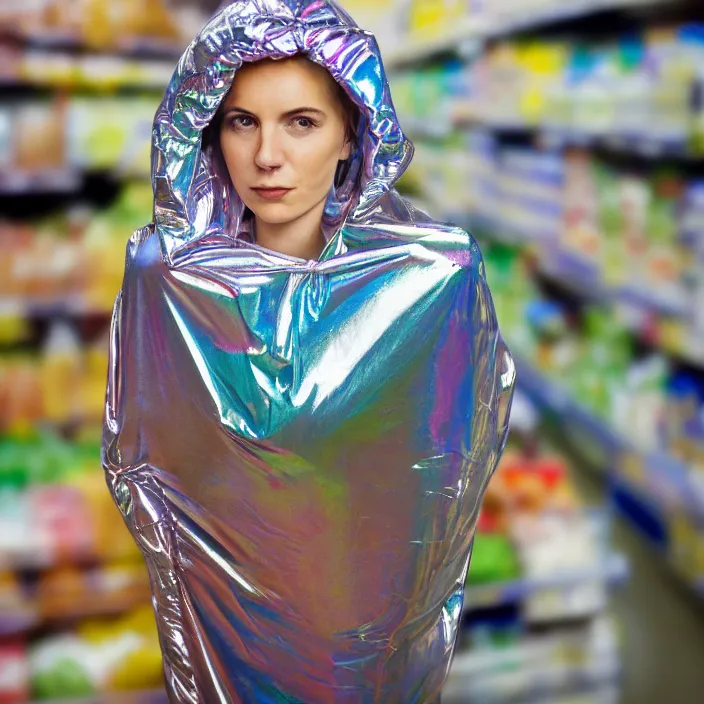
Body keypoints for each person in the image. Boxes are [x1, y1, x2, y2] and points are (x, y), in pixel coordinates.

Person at [103, 1, 515, 703]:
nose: (268, 157)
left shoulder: (426, 286)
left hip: (367, 645)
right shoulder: (168, 285)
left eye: (301, 122)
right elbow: (143, 471)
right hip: (223, 643)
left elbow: (448, 481)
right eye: (242, 122)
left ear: (352, 135)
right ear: (208, 132)